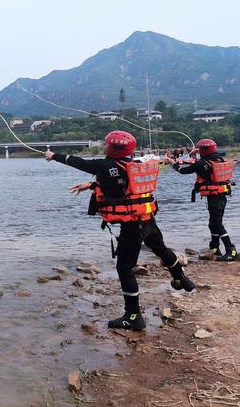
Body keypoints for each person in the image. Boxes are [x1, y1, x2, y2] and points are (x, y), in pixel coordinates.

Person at [45, 131, 195, 331]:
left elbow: (80, 163)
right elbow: (120, 185)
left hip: (132, 225)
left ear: (114, 148)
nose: (104, 146)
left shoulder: (105, 165)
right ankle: (182, 279)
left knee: (124, 268)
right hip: (147, 219)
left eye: (106, 144)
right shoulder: (133, 164)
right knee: (161, 250)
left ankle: (133, 316)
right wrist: (90, 185)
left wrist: (53, 156)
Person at [165, 139, 240, 261]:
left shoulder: (201, 163)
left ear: (203, 151)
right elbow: (201, 164)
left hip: (215, 197)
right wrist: (197, 154)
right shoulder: (218, 158)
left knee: (217, 223)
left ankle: (231, 251)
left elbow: (183, 171)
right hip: (221, 195)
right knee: (213, 223)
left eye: (200, 150)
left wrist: (172, 162)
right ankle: (215, 247)